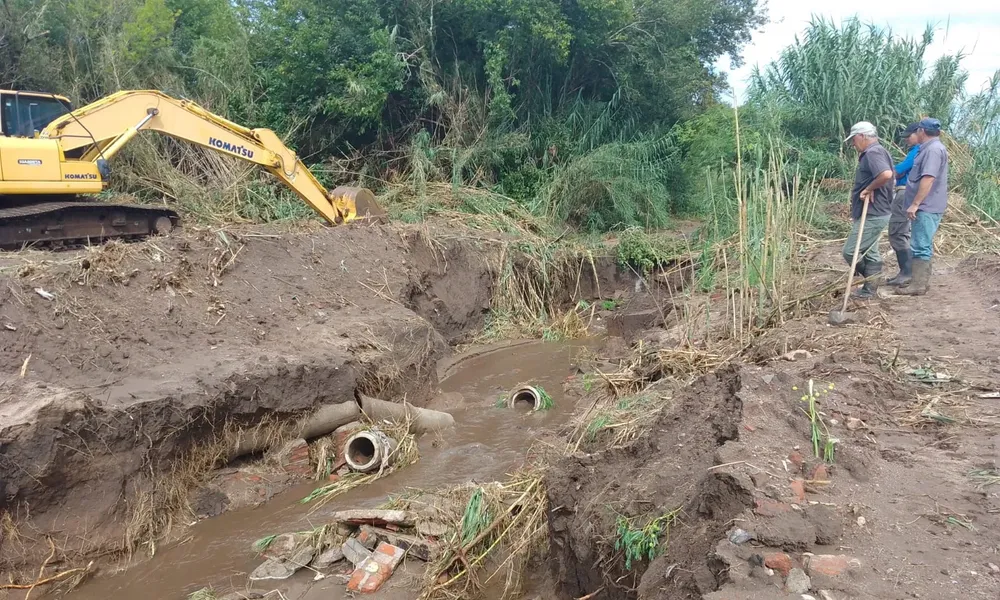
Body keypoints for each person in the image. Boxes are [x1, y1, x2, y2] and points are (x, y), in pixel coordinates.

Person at [843, 121, 896, 298]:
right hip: (876, 211)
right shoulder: (876, 151)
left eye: (854, 139)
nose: (852, 144)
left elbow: (886, 174)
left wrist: (869, 189)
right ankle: (869, 289)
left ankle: (871, 280)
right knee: (870, 252)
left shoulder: (873, 152)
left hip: (875, 212)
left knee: (850, 251)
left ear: (863, 136)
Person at [896, 117, 948, 296]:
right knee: (921, 243)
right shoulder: (929, 148)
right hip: (926, 204)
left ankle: (918, 285)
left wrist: (915, 204)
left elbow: (928, 178)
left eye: (917, 130)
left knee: (920, 245)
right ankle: (920, 282)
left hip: (926, 205)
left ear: (922, 132)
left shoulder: (932, 150)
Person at [885, 123, 921, 286]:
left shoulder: (917, 151)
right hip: (907, 192)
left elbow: (898, 171)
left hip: (904, 191)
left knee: (898, 232)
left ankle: (906, 273)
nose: (906, 138)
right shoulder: (919, 151)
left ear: (919, 133)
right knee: (902, 233)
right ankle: (906, 272)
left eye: (909, 135)